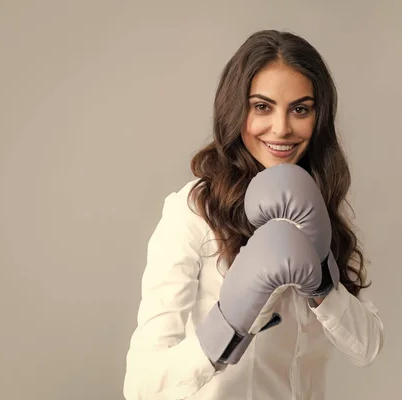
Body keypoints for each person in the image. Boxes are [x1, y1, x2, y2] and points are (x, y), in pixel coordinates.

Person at [123, 29, 384, 400]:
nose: (281, 128)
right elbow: (141, 387)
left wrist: (323, 285)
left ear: (318, 116)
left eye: (300, 109)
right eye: (262, 106)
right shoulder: (194, 213)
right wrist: (228, 323)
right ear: (236, 110)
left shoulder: (317, 206)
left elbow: (367, 347)